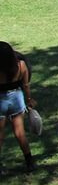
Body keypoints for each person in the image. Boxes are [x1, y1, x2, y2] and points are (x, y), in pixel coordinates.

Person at [0, 42, 36, 172]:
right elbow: (26, 85)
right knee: (20, 133)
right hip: (16, 99)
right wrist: (29, 99)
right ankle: (29, 162)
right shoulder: (21, 65)